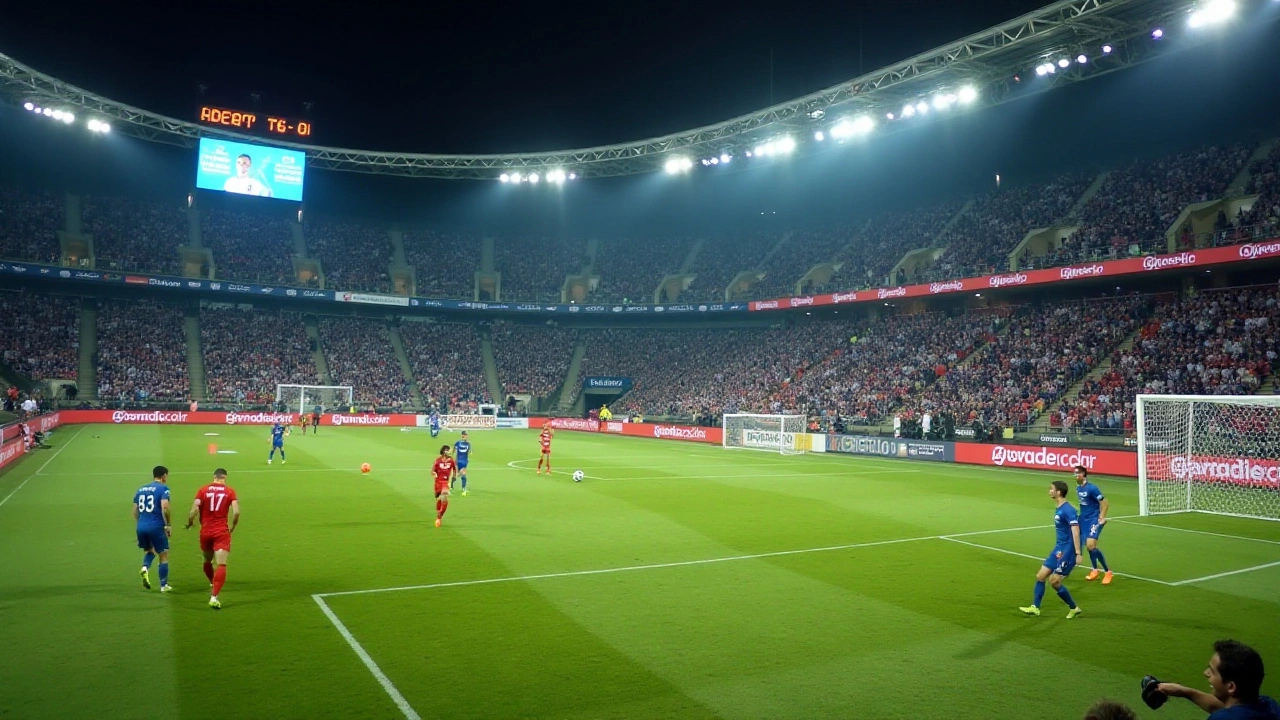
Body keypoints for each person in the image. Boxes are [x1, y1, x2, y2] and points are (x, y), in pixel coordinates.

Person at [1157, 640, 1280, 719]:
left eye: (1212, 671)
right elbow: (1218, 707)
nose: (1206, 673)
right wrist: (1184, 692)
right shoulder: (1269, 705)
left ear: (1231, 687)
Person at [1020, 480, 1084, 619]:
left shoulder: (1068, 510)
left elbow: (1076, 531)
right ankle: (1035, 607)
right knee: (1040, 576)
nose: (1049, 491)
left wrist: (1078, 553)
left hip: (1067, 550)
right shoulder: (1060, 508)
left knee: (1054, 581)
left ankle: (1074, 608)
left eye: (1051, 489)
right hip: (1059, 548)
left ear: (1058, 492)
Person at [185, 468, 239, 610]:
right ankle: (214, 597)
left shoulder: (203, 490)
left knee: (207, 560)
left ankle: (212, 581)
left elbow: (195, 509)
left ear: (214, 477)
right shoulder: (230, 491)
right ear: (224, 477)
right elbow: (236, 512)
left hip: (206, 531)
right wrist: (233, 526)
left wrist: (190, 522)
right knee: (221, 564)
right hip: (221, 531)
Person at [133, 465, 173, 593]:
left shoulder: (141, 489)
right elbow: (165, 507)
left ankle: (145, 568)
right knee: (163, 554)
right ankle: (163, 585)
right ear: (164, 476)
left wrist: (141, 523)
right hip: (156, 526)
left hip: (141, 526)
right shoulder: (163, 488)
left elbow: (135, 510)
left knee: (149, 550)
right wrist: (168, 525)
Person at [1075, 466, 1113, 584]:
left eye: (1078, 473)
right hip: (1084, 520)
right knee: (1089, 546)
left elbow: (1105, 503)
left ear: (1084, 474)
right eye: (1074, 474)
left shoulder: (1092, 488)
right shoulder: (1078, 488)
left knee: (1091, 545)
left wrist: (1101, 517)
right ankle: (1095, 570)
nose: (1075, 476)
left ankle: (1108, 572)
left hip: (1094, 519)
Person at [432, 445, 455, 528]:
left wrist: (450, 483)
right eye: (448, 450)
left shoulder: (452, 461)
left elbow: (453, 471)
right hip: (438, 483)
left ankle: (439, 517)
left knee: (444, 497)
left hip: (445, 482)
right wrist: (434, 474)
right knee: (438, 497)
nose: (450, 452)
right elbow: (433, 471)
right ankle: (438, 512)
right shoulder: (438, 461)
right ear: (444, 452)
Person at [452, 430, 472, 496]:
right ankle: (451, 486)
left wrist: (468, 459)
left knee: (463, 475)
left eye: (466, 435)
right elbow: (453, 451)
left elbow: (468, 452)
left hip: (464, 462)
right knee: (455, 476)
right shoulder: (458, 443)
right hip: (458, 461)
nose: (465, 436)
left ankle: (463, 489)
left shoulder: (468, 444)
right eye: (464, 435)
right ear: (462, 435)